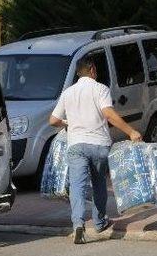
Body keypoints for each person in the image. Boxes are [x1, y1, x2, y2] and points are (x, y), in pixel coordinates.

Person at [49, 55, 142, 244]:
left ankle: (78, 225)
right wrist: (131, 131)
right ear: (92, 70)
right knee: (99, 183)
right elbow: (108, 114)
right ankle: (99, 222)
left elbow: (53, 121)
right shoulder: (100, 89)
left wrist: (69, 122)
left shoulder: (68, 92)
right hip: (99, 145)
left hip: (76, 145)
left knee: (77, 186)